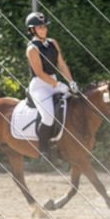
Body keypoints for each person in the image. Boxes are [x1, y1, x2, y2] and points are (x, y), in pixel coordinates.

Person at [25, 12, 77, 162]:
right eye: (40, 28)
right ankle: (43, 151)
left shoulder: (53, 42)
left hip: (53, 82)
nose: (44, 30)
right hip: (40, 86)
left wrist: (71, 82)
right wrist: (58, 85)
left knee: (72, 107)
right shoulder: (32, 49)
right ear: (32, 30)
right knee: (48, 117)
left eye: (44, 27)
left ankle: (63, 145)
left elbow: (61, 64)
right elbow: (39, 73)